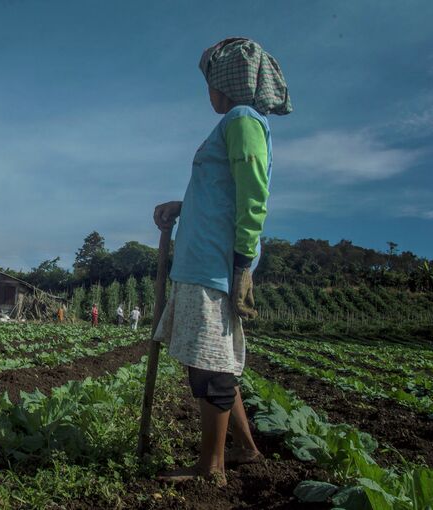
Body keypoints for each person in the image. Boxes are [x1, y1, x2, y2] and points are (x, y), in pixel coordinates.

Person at [152, 37, 292, 486]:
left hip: (212, 265)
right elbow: (224, 192)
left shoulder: (241, 119)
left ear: (226, 83)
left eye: (209, 82)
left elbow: (254, 195)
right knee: (218, 360)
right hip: (208, 261)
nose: (207, 92)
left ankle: (210, 468)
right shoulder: (239, 123)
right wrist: (181, 206)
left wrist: (242, 260)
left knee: (208, 368)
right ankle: (245, 448)